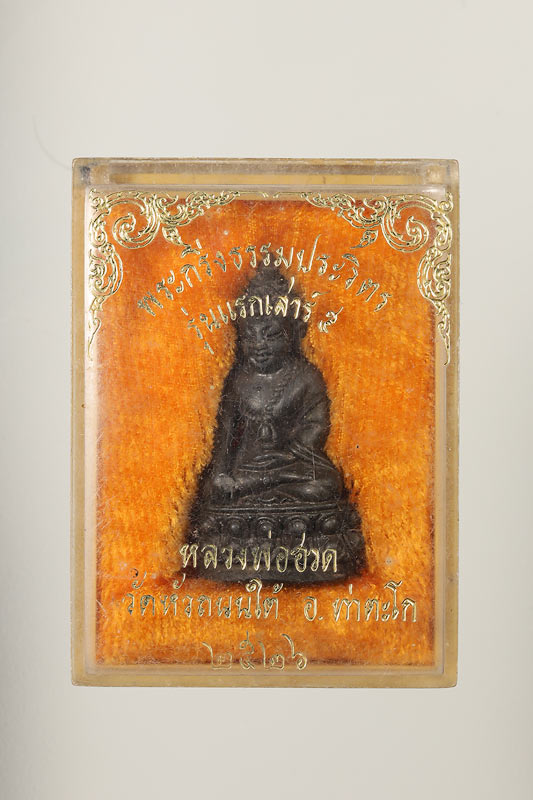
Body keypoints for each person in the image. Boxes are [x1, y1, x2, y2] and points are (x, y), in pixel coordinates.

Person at [185, 259, 365, 582]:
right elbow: (226, 435)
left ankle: (258, 500)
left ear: (293, 334)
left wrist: (289, 453)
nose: (259, 346)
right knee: (212, 492)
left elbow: (316, 425)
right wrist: (222, 472)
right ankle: (252, 504)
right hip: (247, 468)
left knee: (324, 486)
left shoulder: (306, 377)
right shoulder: (238, 380)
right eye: (250, 336)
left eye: (270, 335)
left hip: (291, 466)